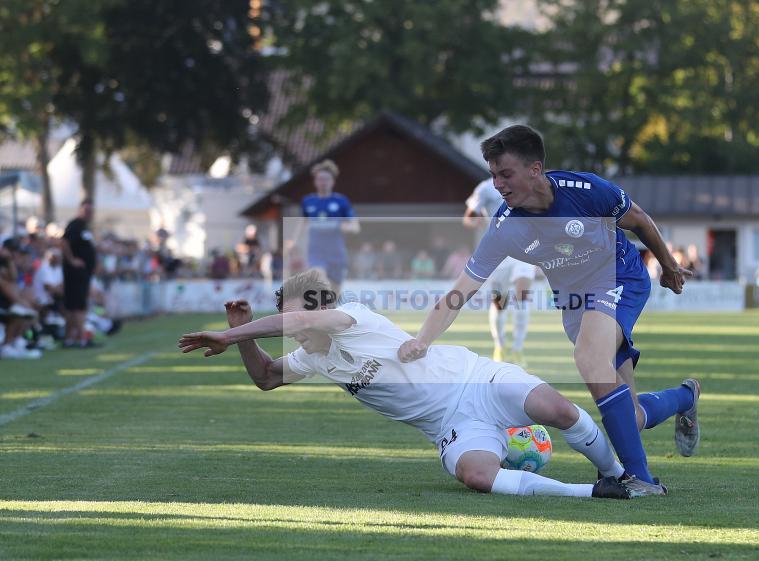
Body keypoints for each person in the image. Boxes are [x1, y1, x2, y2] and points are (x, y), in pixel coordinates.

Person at [399, 125, 700, 495]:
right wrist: (421, 341)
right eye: (493, 175)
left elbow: (639, 220)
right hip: (576, 302)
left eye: (505, 174)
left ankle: (640, 482)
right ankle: (687, 396)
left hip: (620, 276)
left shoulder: (586, 191)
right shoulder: (505, 227)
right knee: (630, 418)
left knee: (590, 359)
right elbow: (461, 290)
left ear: (535, 169)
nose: (498, 184)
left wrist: (668, 266)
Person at [179, 270, 639, 499]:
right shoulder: (311, 357)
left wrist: (228, 334)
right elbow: (264, 378)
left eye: (297, 314)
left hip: (474, 379)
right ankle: (593, 493)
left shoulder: (353, 316)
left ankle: (618, 473)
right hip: (448, 425)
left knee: (556, 410)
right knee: (477, 476)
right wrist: (237, 333)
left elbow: (298, 318)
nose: (293, 325)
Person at [463, 178, 537, 365]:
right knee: (499, 303)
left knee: (523, 294)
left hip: (524, 249)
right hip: (499, 253)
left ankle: (518, 349)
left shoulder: (529, 181)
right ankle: (500, 346)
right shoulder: (486, 188)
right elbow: (469, 217)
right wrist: (476, 222)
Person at [300, 160, 359, 295]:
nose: (323, 182)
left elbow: (355, 226)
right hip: (316, 252)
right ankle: (319, 311)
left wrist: (342, 226)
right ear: (315, 181)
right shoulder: (308, 201)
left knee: (334, 294)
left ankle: (329, 312)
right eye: (320, 179)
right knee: (319, 279)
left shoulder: (341, 201)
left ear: (333, 182)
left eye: (326, 179)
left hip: (336, 253)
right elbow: (303, 223)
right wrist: (293, 242)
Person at [60, 200, 97, 348]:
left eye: (90, 211)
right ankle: (82, 338)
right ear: (80, 209)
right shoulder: (75, 224)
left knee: (72, 306)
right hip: (75, 273)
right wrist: (72, 260)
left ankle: (69, 339)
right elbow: (64, 242)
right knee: (79, 306)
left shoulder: (84, 227)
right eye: (86, 210)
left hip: (82, 273)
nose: (88, 213)